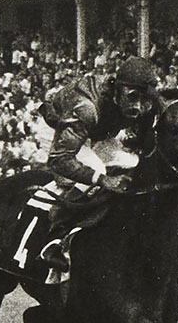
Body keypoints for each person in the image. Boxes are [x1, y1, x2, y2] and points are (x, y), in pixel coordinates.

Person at [37, 56, 164, 270]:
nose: (138, 107)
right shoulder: (86, 106)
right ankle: (56, 237)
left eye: (145, 100)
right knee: (96, 169)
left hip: (96, 133)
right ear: (118, 90)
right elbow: (60, 159)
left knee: (132, 162)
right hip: (58, 129)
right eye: (133, 98)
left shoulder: (140, 103)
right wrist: (103, 180)